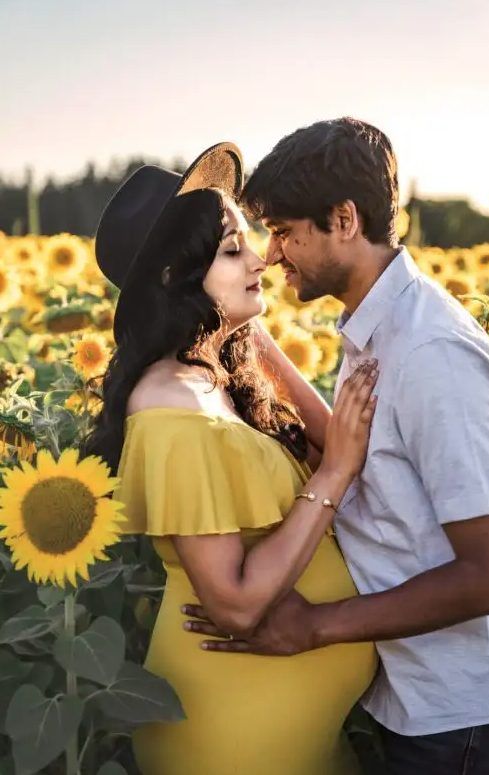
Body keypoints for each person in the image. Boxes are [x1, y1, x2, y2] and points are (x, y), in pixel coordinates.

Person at [183, 119, 489, 775]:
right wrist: (243, 334)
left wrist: (315, 625)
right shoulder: (383, 324)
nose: (272, 255)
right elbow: (361, 451)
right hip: (423, 699)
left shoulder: (430, 354)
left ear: (343, 219)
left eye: (284, 231)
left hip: (466, 716)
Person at [84, 142, 378, 775]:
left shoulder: (213, 378)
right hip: (234, 734)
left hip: (289, 728)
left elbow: (331, 438)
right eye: (232, 250)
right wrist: (334, 475)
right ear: (175, 277)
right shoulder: (170, 410)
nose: (262, 259)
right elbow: (237, 605)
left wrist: (243, 326)